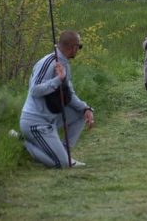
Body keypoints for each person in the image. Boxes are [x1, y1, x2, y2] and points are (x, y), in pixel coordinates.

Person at [18, 31, 94, 168]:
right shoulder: (48, 62)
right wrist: (58, 80)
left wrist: (85, 108)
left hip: (50, 119)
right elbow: (34, 90)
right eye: (79, 46)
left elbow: (68, 94)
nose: (78, 50)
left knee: (79, 114)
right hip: (35, 122)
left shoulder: (64, 63)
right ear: (74, 47)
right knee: (63, 164)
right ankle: (23, 143)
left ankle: (64, 152)